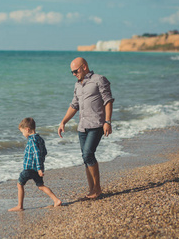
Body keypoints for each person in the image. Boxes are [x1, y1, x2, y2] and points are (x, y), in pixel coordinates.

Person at [58, 57, 114, 199]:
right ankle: (92, 189)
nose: (74, 74)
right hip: (82, 127)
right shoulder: (77, 85)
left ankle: (98, 188)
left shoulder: (99, 79)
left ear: (84, 67)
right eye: (71, 72)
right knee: (85, 158)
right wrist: (63, 121)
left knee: (88, 154)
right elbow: (74, 105)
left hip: (96, 124)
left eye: (75, 71)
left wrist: (108, 121)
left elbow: (108, 100)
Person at [8, 117, 62, 211]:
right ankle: (56, 200)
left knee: (19, 184)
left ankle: (19, 206)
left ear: (27, 129)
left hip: (29, 168)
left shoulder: (31, 140)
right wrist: (40, 167)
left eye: (22, 132)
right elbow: (44, 152)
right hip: (37, 169)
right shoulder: (40, 139)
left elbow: (37, 153)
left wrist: (39, 168)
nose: (23, 134)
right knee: (41, 186)